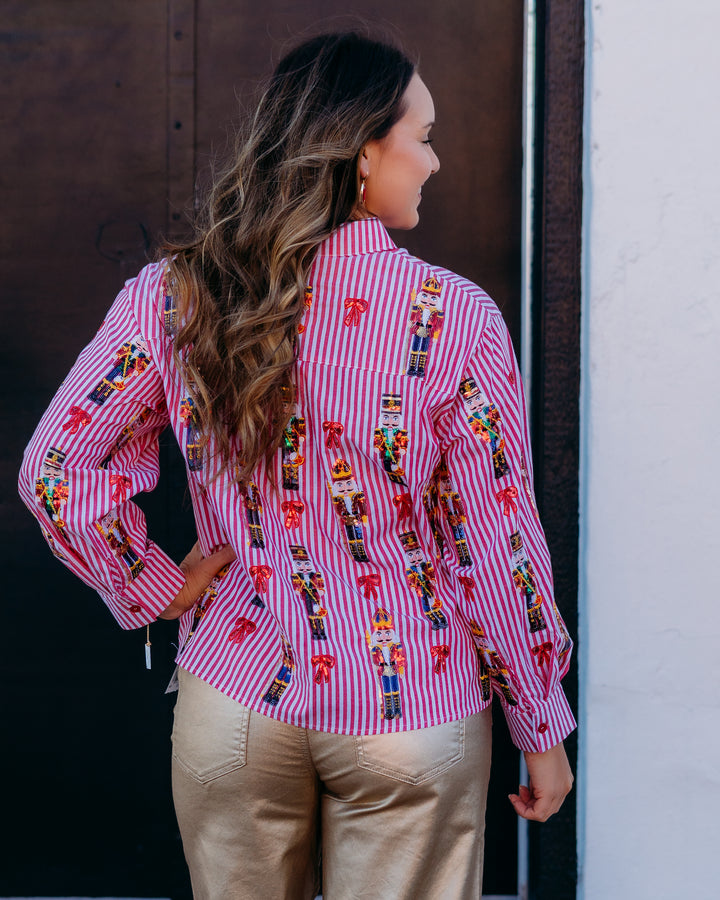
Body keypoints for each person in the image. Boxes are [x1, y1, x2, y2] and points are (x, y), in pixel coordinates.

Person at [19, 31, 575, 900]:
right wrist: (538, 720)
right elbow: (497, 545)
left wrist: (153, 586)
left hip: (235, 699)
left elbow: (57, 469)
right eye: (422, 138)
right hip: (410, 705)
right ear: (362, 153)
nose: (433, 162)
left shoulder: (174, 294)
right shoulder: (454, 317)